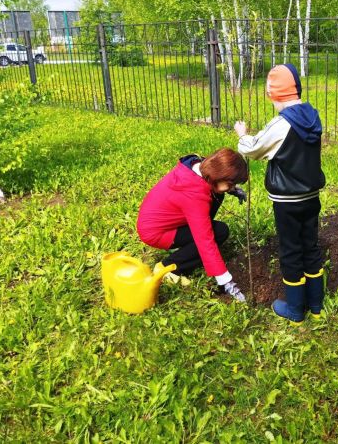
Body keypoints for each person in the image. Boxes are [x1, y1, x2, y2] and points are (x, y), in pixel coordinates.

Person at [235, 63, 326, 324]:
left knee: (290, 251)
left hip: (287, 201)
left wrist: (242, 135)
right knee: (311, 246)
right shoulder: (313, 116)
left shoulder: (281, 124)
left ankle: (295, 310)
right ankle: (317, 306)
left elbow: (253, 149)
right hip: (311, 196)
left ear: (273, 95)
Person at [136, 147, 249, 301]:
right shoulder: (194, 196)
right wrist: (226, 282)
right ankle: (168, 268)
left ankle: (183, 251)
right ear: (219, 176)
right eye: (231, 184)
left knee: (217, 197)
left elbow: (218, 185)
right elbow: (205, 241)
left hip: (161, 221)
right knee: (217, 233)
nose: (231, 187)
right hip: (156, 232)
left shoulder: (200, 166)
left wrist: (232, 190)